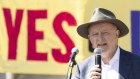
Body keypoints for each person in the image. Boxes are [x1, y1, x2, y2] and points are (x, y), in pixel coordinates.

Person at [74, 8, 140, 79]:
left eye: (105, 33)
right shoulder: (82, 69)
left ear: (116, 34)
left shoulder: (136, 64)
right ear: (90, 38)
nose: (100, 38)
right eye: (95, 34)